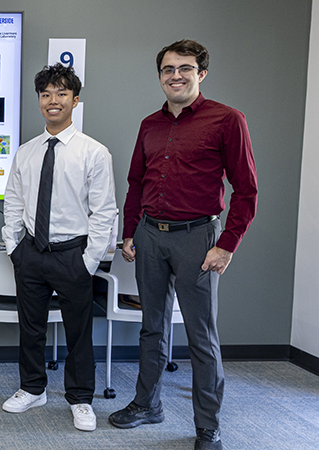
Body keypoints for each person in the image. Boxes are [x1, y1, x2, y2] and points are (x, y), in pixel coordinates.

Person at [108, 39, 258, 450]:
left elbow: (247, 190)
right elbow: (136, 182)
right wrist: (130, 231)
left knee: (200, 336)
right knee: (151, 328)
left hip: (198, 238)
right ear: (160, 76)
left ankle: (208, 426)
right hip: (150, 236)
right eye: (168, 69)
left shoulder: (227, 120)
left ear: (201, 73)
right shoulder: (149, 125)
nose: (176, 75)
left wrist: (227, 244)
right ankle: (146, 404)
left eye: (185, 68)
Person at [1, 64, 117, 431]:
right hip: (32, 253)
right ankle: (32, 388)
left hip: (73, 256)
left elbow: (105, 211)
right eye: (46, 94)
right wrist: (13, 247)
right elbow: (13, 201)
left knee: (78, 332)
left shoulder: (94, 153)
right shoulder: (26, 152)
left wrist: (88, 261)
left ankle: (81, 399)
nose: (53, 101)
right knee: (30, 328)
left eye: (61, 94)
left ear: (75, 101)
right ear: (39, 101)